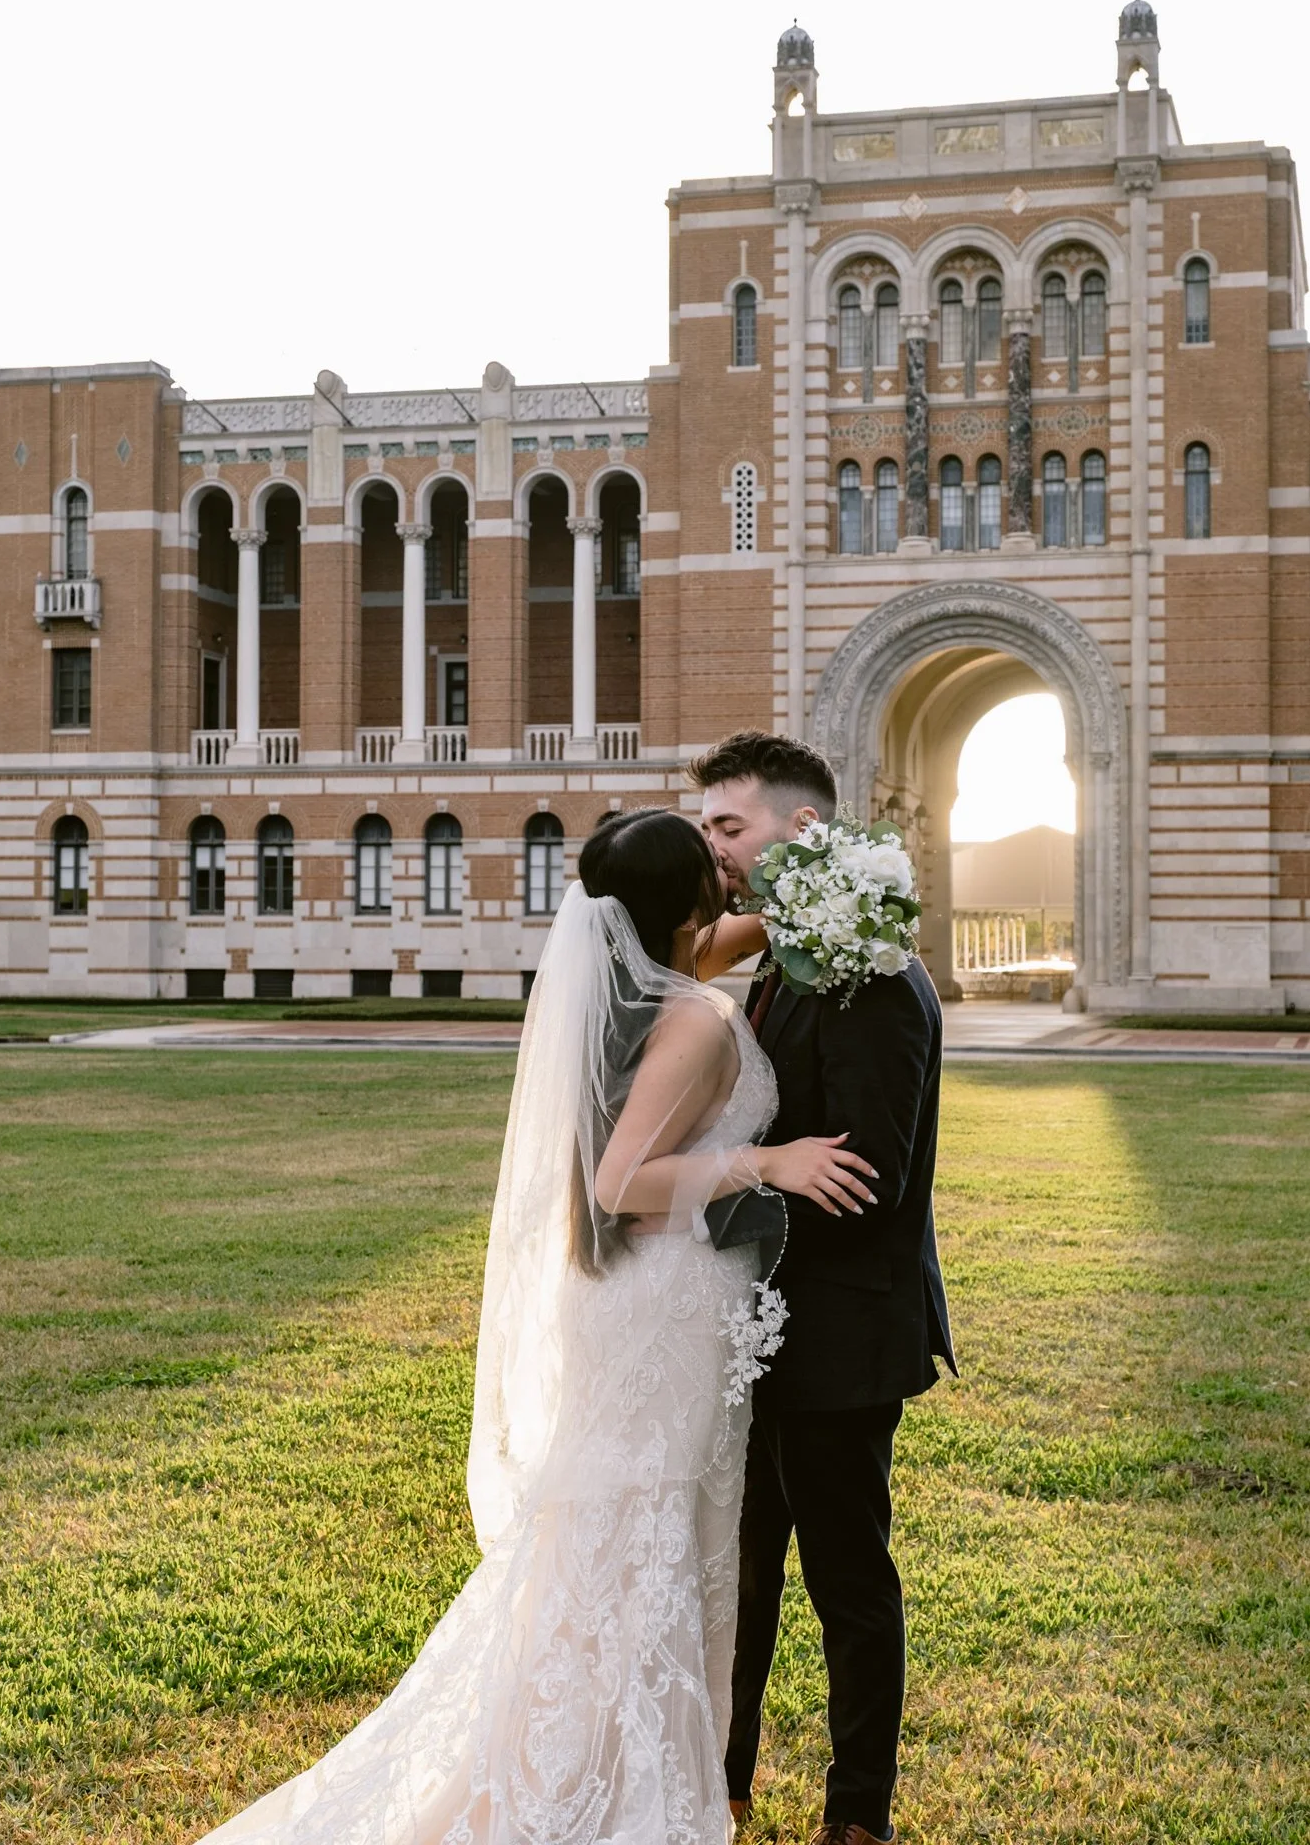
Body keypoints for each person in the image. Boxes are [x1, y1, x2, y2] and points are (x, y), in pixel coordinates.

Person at [197, 806, 874, 1845]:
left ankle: (605, 1750)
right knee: (637, 1533)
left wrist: (833, 870)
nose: (728, 869)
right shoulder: (690, 1016)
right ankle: (591, 1774)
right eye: (713, 857)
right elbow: (618, 1183)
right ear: (684, 898)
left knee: (630, 1532)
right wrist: (766, 1163)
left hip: (649, 1305)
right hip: (658, 1308)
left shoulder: (658, 976)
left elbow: (743, 931)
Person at [692, 732, 957, 1845]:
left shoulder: (874, 975)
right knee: (739, 1574)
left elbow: (868, 1179)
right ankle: (724, 1780)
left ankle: (857, 1818)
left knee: (847, 1584)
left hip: (842, 1340)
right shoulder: (785, 954)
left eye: (728, 825)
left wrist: (709, 1199)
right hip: (759, 1332)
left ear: (799, 831)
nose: (712, 845)